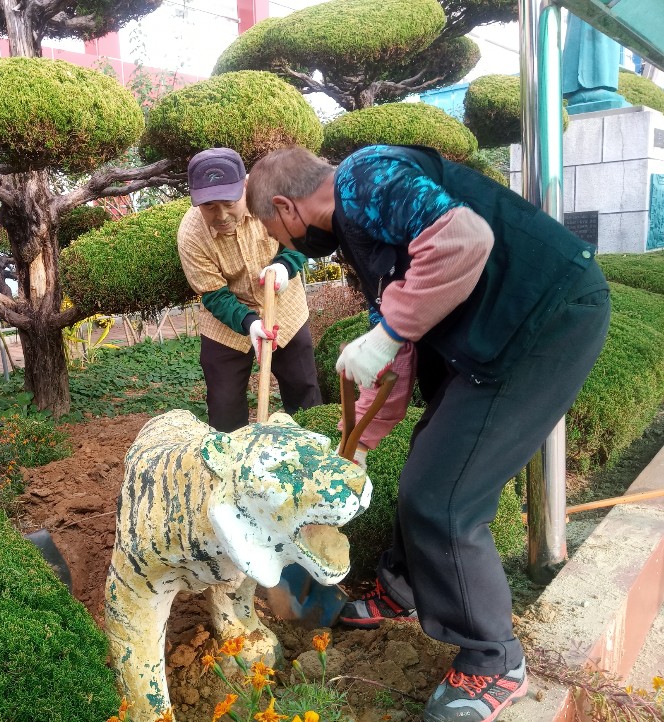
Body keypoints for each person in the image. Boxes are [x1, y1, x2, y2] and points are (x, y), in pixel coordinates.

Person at [246, 143, 610, 722]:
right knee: (429, 454)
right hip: (494, 327)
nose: (289, 247)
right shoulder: (357, 229)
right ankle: (403, 588)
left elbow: (464, 241)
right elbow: (396, 353)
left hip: (543, 318)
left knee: (442, 496)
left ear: (287, 208)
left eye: (277, 234)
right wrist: (359, 440)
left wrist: (389, 332)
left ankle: (494, 658)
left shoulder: (364, 178)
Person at [177, 147, 322, 433]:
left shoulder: (273, 202)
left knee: (304, 391)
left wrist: (285, 265)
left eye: (229, 201)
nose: (221, 215)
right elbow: (213, 294)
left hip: (285, 308)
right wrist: (249, 323)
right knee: (224, 405)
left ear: (245, 185)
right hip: (226, 326)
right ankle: (231, 466)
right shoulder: (191, 234)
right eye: (209, 206)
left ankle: (309, 457)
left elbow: (303, 238)